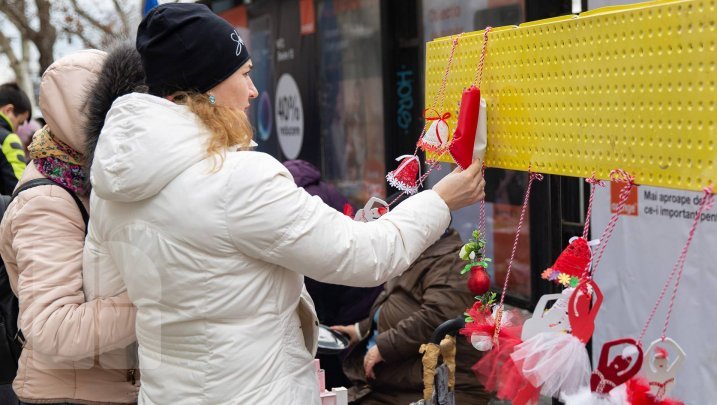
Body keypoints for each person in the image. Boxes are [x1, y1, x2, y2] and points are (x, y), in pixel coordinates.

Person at [82, 3, 485, 404]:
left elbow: (105, 290)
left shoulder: (109, 188)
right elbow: (365, 256)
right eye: (244, 74)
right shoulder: (239, 179)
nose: (254, 90)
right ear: (207, 89)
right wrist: (441, 200)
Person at [0, 50, 138, 405]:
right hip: (71, 395)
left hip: (104, 388)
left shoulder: (92, 181)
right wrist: (158, 302)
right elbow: (53, 326)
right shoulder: (49, 198)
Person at [332, 196, 492, 404]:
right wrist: (359, 330)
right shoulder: (418, 251)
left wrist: (384, 348)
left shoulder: (452, 261)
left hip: (436, 386)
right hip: (400, 381)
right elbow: (396, 303)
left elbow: (438, 316)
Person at [283, 158, 384, 389]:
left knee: (341, 376)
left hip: (349, 293)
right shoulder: (317, 190)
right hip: (359, 284)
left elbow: (317, 265)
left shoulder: (299, 200)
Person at [0, 83, 31, 194]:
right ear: (8, 110)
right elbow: (20, 189)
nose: (17, 129)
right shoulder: (8, 139)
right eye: (20, 122)